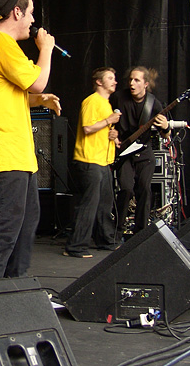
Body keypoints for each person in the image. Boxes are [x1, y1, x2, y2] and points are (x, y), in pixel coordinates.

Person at [0, 0, 61, 281]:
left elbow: (7, 94)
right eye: (30, 13)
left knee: (25, 222)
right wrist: (46, 49)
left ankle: (12, 289)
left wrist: (39, 100)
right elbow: (37, 81)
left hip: (17, 154)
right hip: (3, 151)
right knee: (5, 224)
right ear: (16, 12)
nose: (33, 20)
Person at [64, 67, 121, 258]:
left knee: (104, 204)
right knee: (88, 204)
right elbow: (88, 128)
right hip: (89, 160)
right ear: (99, 82)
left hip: (103, 161)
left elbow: (100, 129)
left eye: (114, 78)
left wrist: (113, 134)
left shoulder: (106, 104)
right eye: (110, 78)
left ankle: (106, 241)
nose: (114, 81)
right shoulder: (91, 101)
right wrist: (109, 120)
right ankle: (75, 246)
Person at [110, 66, 170, 237]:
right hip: (124, 152)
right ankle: (117, 230)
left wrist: (166, 127)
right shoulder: (119, 98)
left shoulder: (153, 103)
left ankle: (141, 232)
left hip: (144, 151)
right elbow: (106, 119)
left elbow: (165, 134)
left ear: (145, 84)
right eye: (130, 79)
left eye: (136, 80)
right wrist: (112, 133)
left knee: (144, 189)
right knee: (126, 189)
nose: (132, 83)